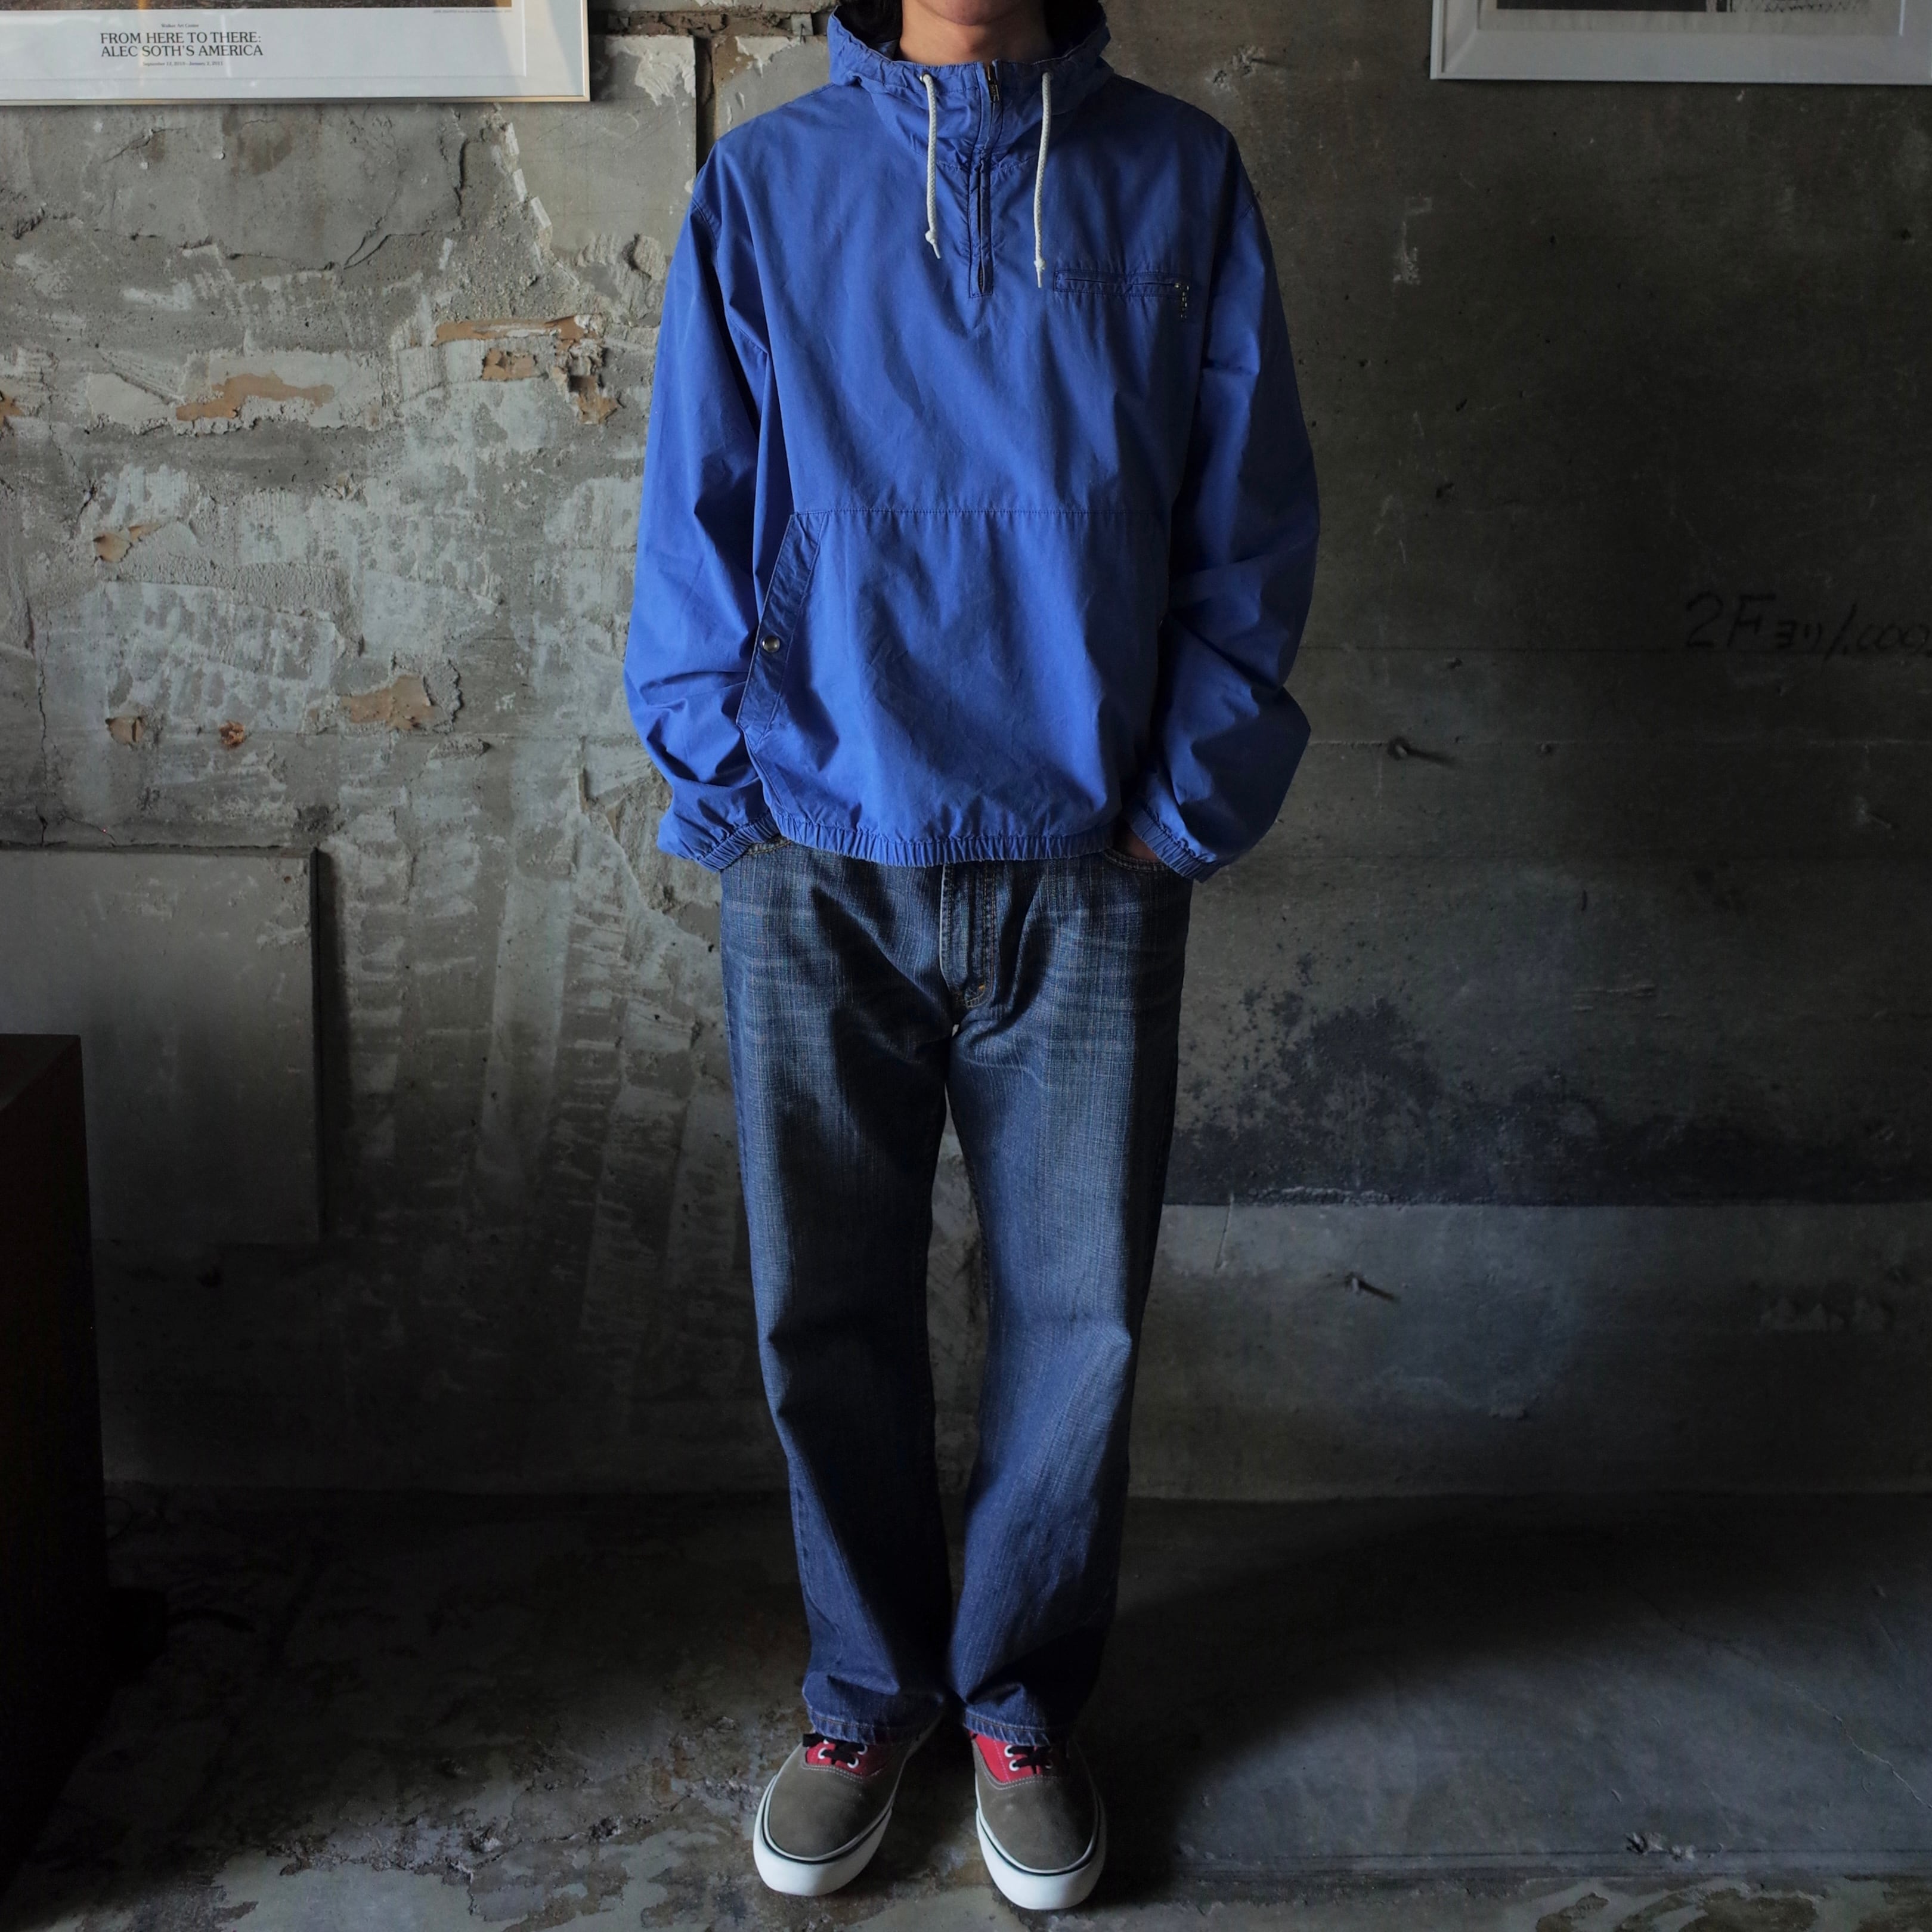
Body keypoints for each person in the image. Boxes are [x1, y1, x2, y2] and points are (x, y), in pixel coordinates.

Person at [625, 0, 1318, 1908]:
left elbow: (1247, 514)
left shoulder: (1180, 178)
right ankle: (864, 1691)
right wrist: (730, 783)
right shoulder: (766, 184)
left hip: (1089, 859)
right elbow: (694, 502)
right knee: (821, 1309)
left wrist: (1179, 807)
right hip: (819, 849)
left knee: (1078, 1324)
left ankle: (1018, 1700)